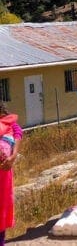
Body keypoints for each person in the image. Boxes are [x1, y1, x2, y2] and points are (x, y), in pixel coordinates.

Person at [0, 103, 23, 245]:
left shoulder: (9, 123)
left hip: (4, 174)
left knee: (2, 205)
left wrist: (13, 156)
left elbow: (18, 132)